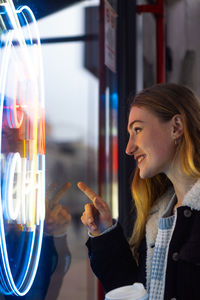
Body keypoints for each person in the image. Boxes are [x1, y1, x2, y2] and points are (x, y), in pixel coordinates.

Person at [78, 83, 200, 300]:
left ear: (176, 127)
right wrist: (104, 233)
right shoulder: (160, 217)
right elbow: (134, 289)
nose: (129, 148)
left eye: (137, 129)